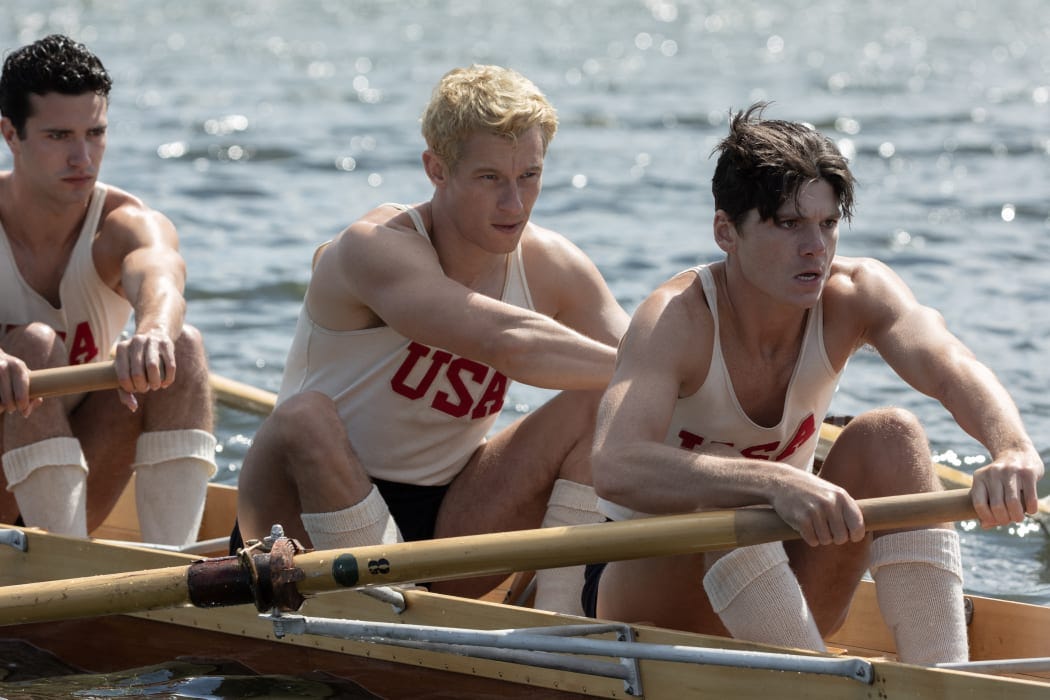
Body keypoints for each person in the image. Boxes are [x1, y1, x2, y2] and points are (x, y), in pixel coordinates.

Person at [587, 104, 1044, 664]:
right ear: (725, 231)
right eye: (789, 224)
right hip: (649, 597)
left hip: (785, 589)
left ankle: (944, 678)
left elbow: (951, 363)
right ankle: (818, 684)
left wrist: (1013, 448)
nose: (815, 248)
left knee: (891, 435)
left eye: (827, 224)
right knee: (714, 483)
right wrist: (772, 481)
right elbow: (614, 464)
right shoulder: (675, 320)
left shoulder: (855, 292)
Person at [236, 64, 629, 614]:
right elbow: (506, 341)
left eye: (530, 176)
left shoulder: (554, 265)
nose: (514, 205)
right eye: (490, 178)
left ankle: (562, 629)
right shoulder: (372, 247)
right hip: (302, 510)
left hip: (450, 518)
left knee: (601, 401)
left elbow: (647, 363)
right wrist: (655, 373)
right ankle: (385, 613)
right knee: (305, 417)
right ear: (436, 168)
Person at [0, 34, 216, 546]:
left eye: (95, 133)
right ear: (11, 133)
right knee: (34, 345)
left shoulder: (123, 224)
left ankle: (172, 572)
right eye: (58, 136)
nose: (83, 157)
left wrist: (154, 332)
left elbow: (161, 275)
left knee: (182, 347)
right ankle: (67, 577)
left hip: (82, 472)